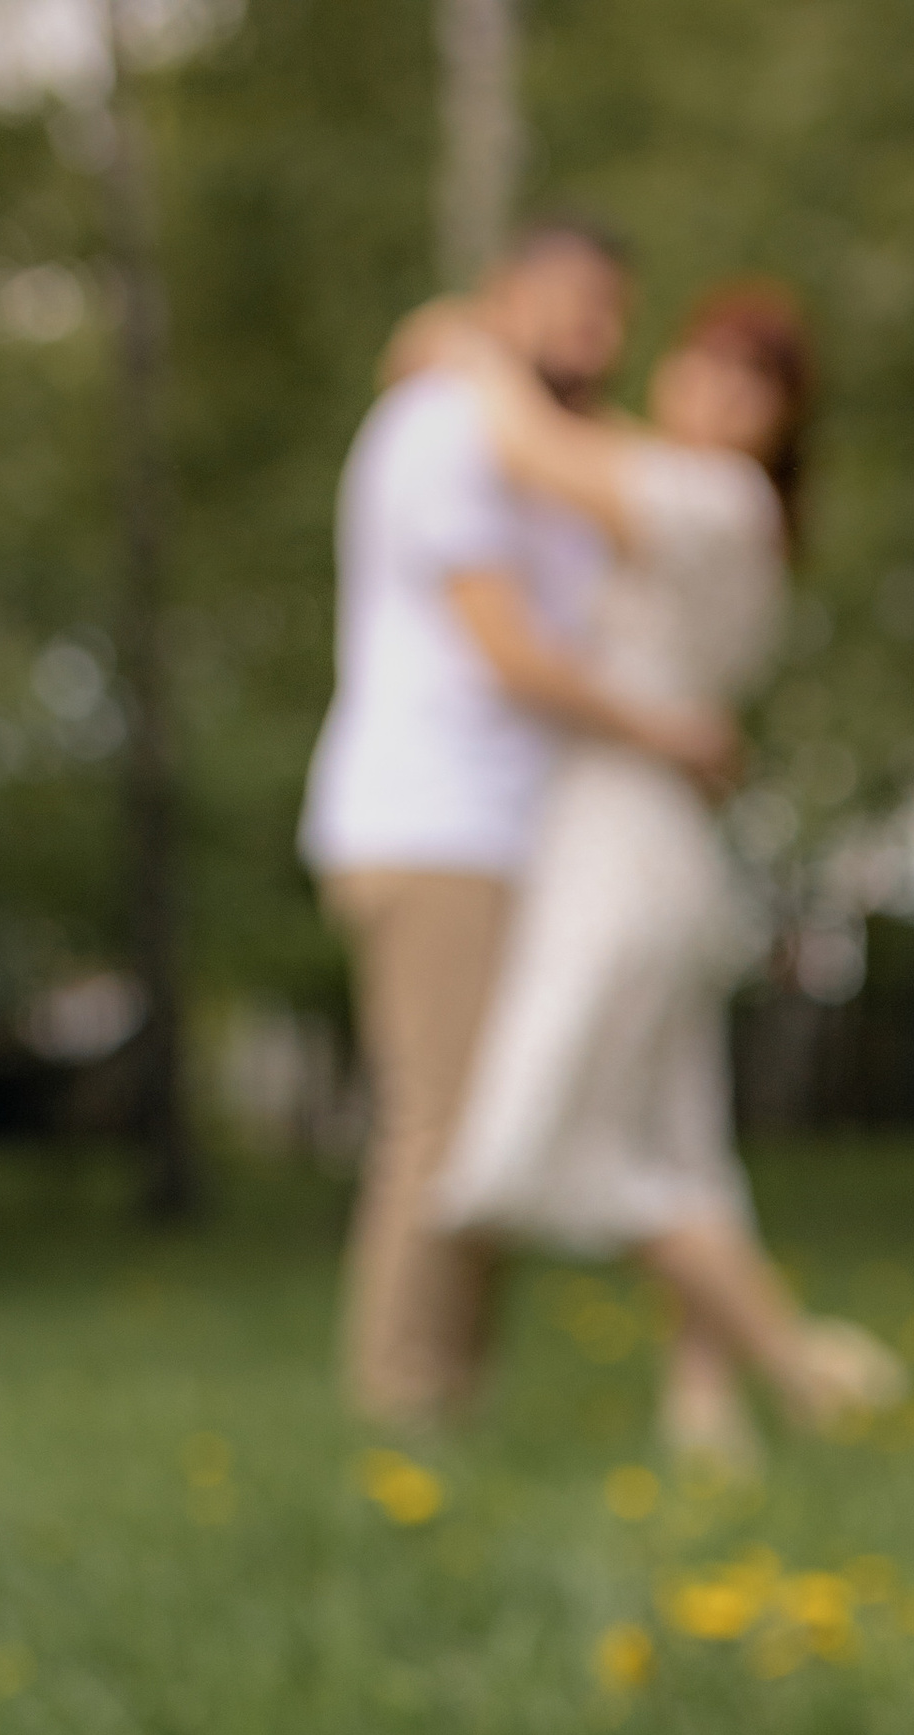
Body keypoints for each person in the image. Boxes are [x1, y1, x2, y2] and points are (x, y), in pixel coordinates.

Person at [395, 281, 902, 1466]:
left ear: (784, 425)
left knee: (522, 1157)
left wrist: (471, 350)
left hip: (621, 856)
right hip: (655, 846)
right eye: (706, 364)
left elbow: (535, 453)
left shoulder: (708, 498)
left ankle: (805, 1369)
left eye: (756, 383)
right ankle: (711, 1423)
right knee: (680, 1149)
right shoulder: (700, 497)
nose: (720, 394)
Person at [301, 219, 736, 1425]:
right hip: (434, 825)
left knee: (487, 1131)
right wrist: (671, 737)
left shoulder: (529, 433)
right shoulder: (441, 429)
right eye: (566, 302)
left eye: (612, 310)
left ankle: (449, 1401)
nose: (592, 331)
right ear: (506, 299)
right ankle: (405, 1409)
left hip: (505, 832)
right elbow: (504, 653)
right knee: (440, 1128)